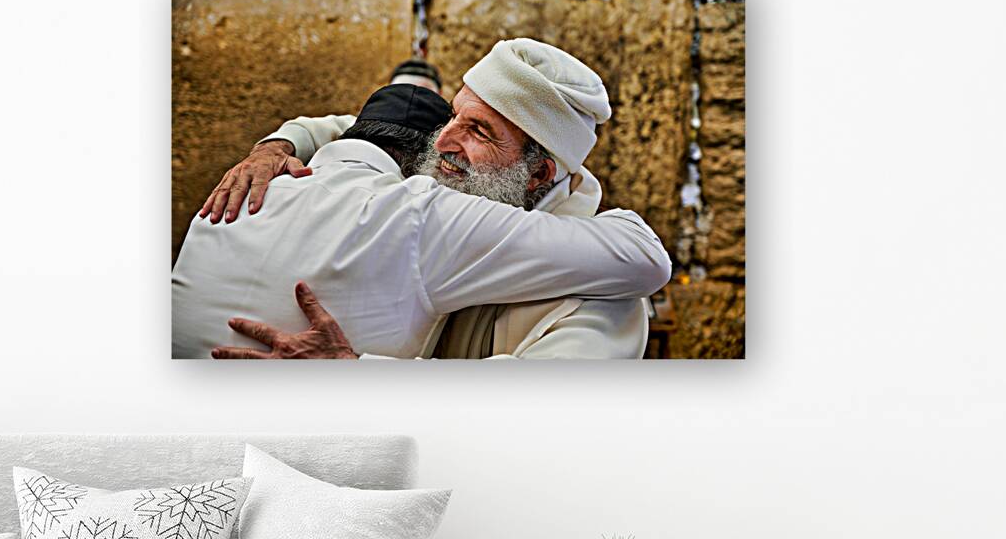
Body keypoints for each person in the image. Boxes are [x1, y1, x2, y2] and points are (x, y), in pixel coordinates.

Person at [192, 39, 665, 359]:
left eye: (479, 130)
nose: (441, 142)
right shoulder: (453, 189)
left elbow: (530, 419)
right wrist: (278, 146)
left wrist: (355, 376)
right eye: (454, 115)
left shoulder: (600, 294)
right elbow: (364, 132)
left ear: (537, 174)